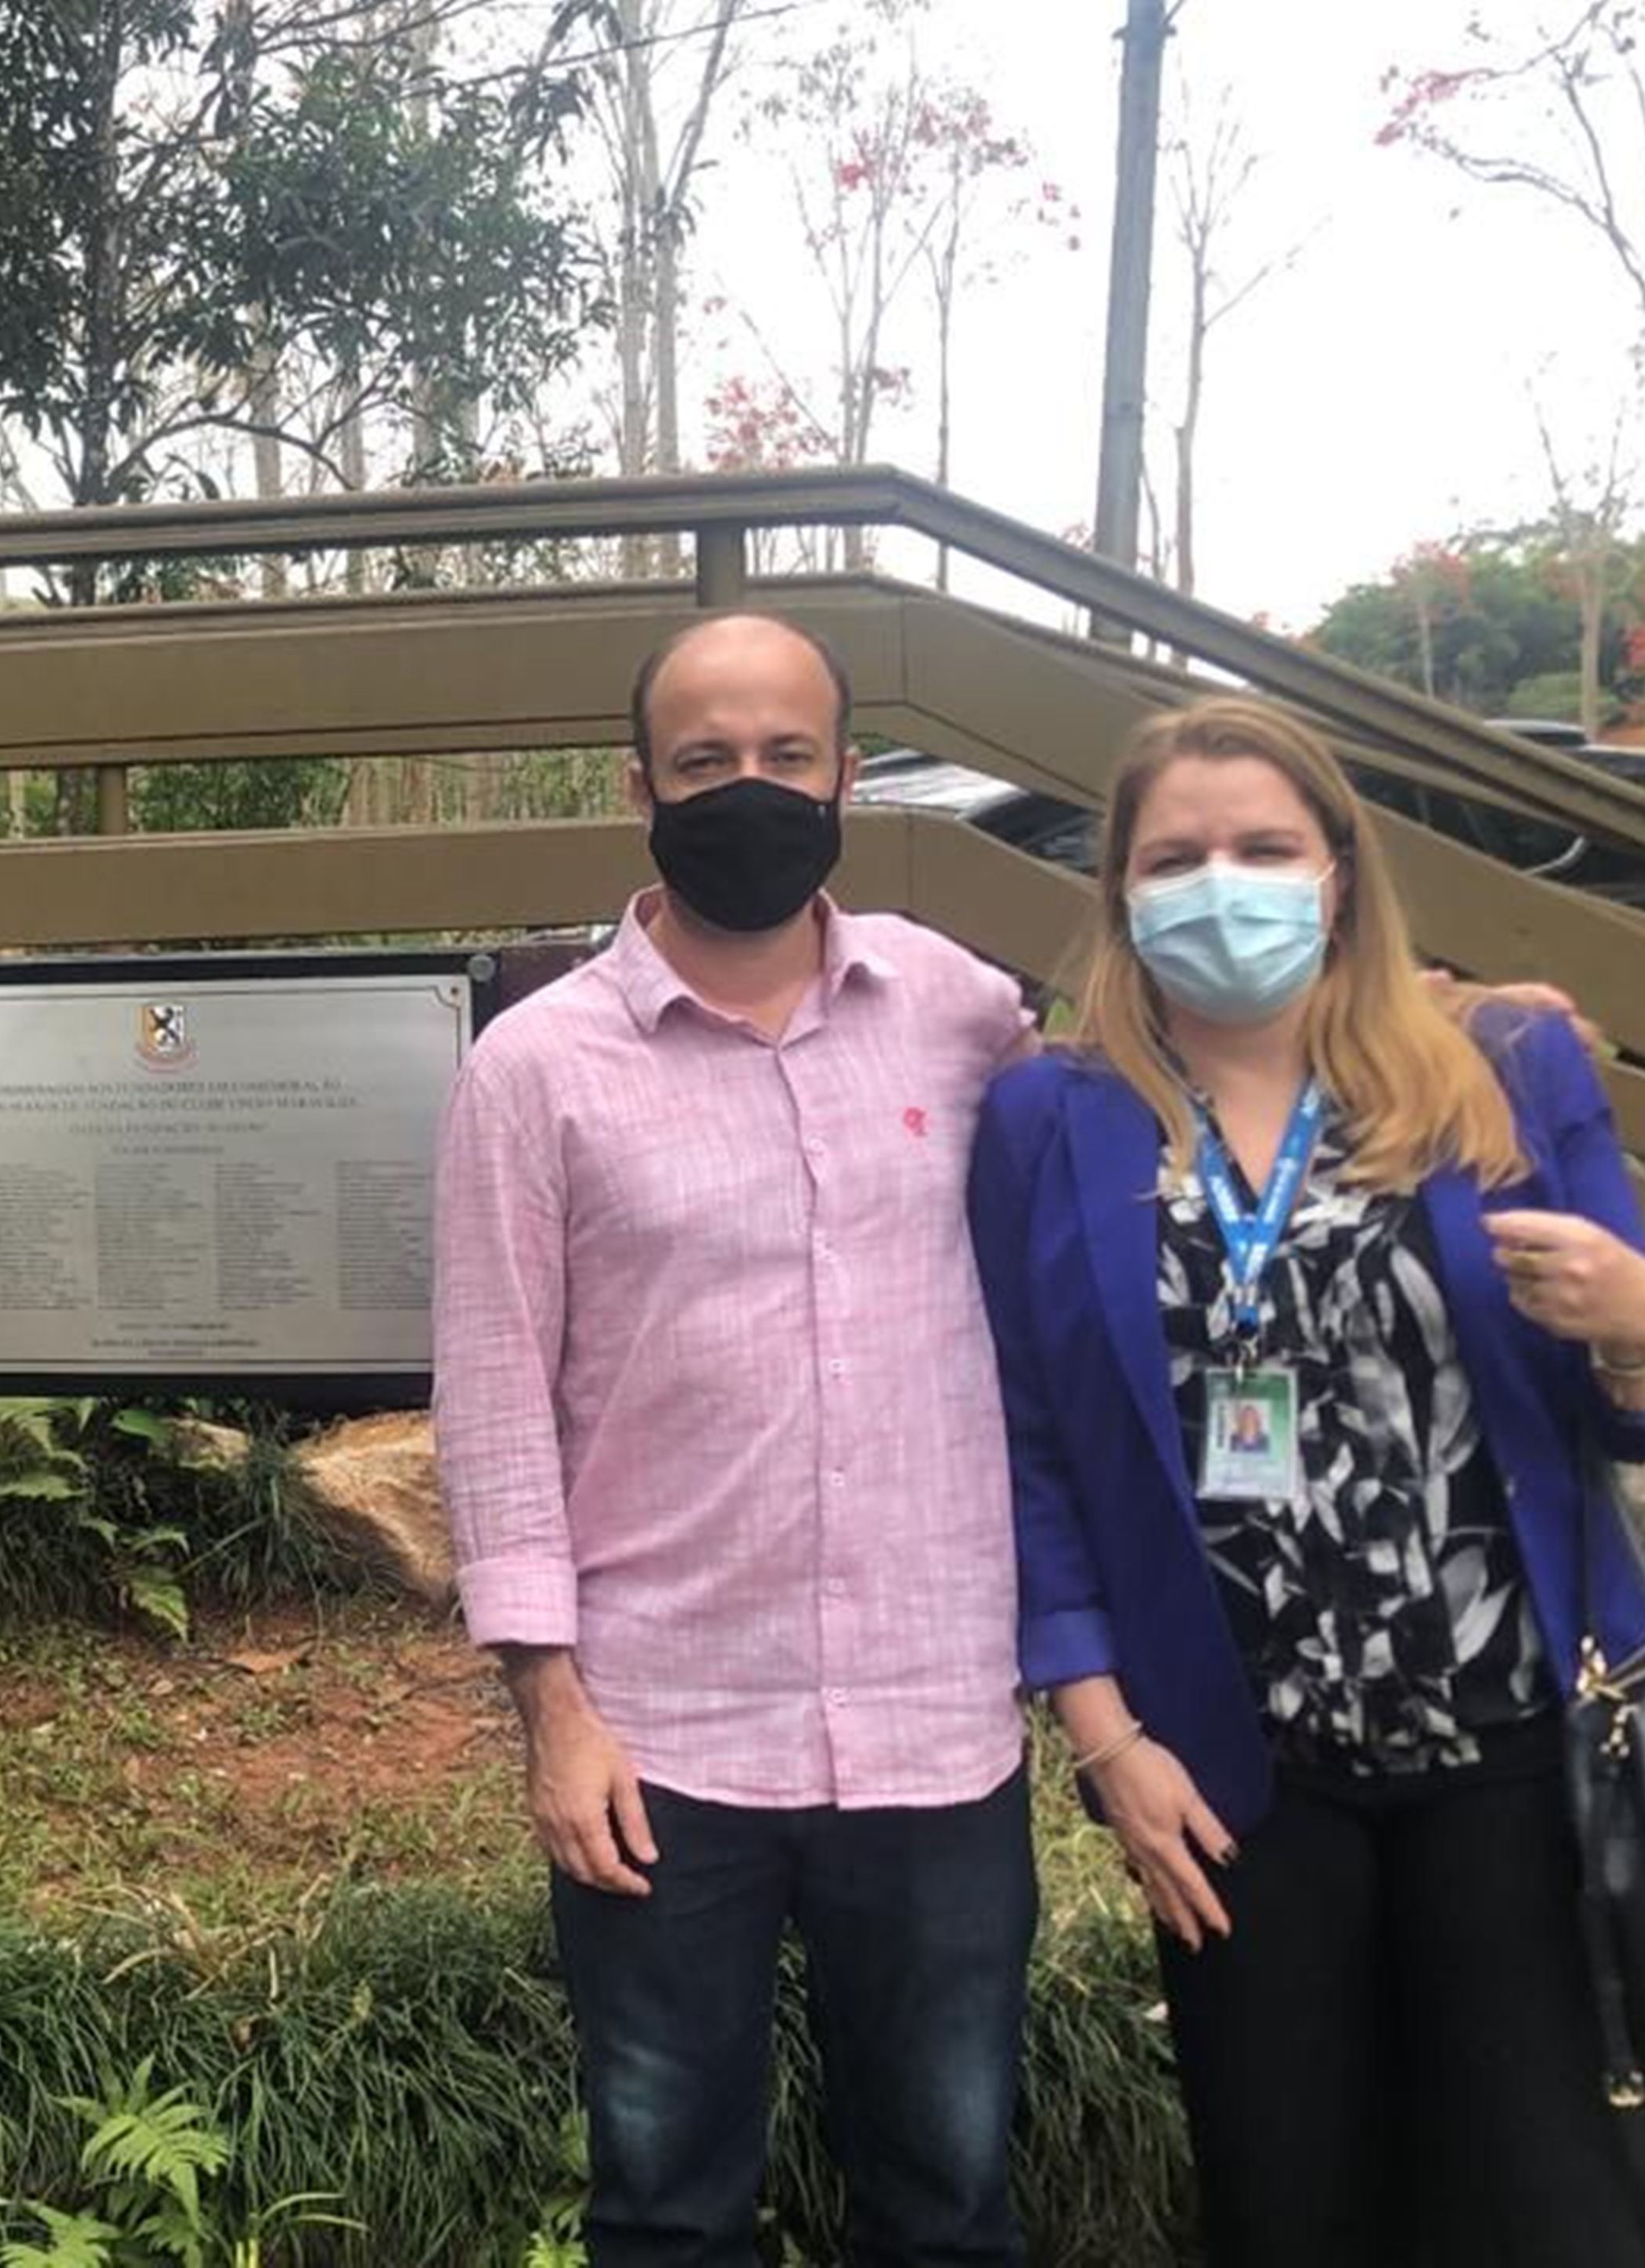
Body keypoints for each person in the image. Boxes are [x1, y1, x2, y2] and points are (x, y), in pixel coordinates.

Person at [969, 695, 1645, 2267]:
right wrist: (1105, 1738)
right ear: (1119, 890)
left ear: (1339, 873)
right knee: (1291, 2203)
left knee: (1549, 2206)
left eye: (1263, 848)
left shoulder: (1500, 1067)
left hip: (1514, 1749)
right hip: (1237, 1775)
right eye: (1175, 858)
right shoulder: (1048, 1119)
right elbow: (1028, 1452)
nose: (1220, 885)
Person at [433, 611, 1041, 2266]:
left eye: (787, 755)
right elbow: (494, 1401)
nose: (749, 788)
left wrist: (1432, 1023)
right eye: (706, 761)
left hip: (932, 1719)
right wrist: (552, 1711)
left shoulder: (959, 1011)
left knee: (948, 2200)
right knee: (666, 2205)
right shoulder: (534, 1071)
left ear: (846, 776)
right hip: (662, 1735)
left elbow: (1145, 1111)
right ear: (641, 787)